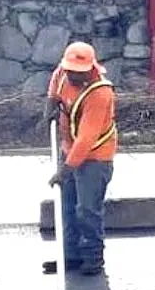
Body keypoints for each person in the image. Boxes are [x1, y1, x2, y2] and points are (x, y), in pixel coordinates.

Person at [42, 42, 117, 276]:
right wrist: (51, 104)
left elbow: (86, 138)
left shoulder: (100, 93)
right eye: (69, 70)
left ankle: (93, 257)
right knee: (66, 207)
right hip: (69, 150)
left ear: (90, 68)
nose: (72, 75)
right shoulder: (63, 72)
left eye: (78, 72)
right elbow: (55, 84)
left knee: (87, 209)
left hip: (95, 157)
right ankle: (71, 256)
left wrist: (64, 170)